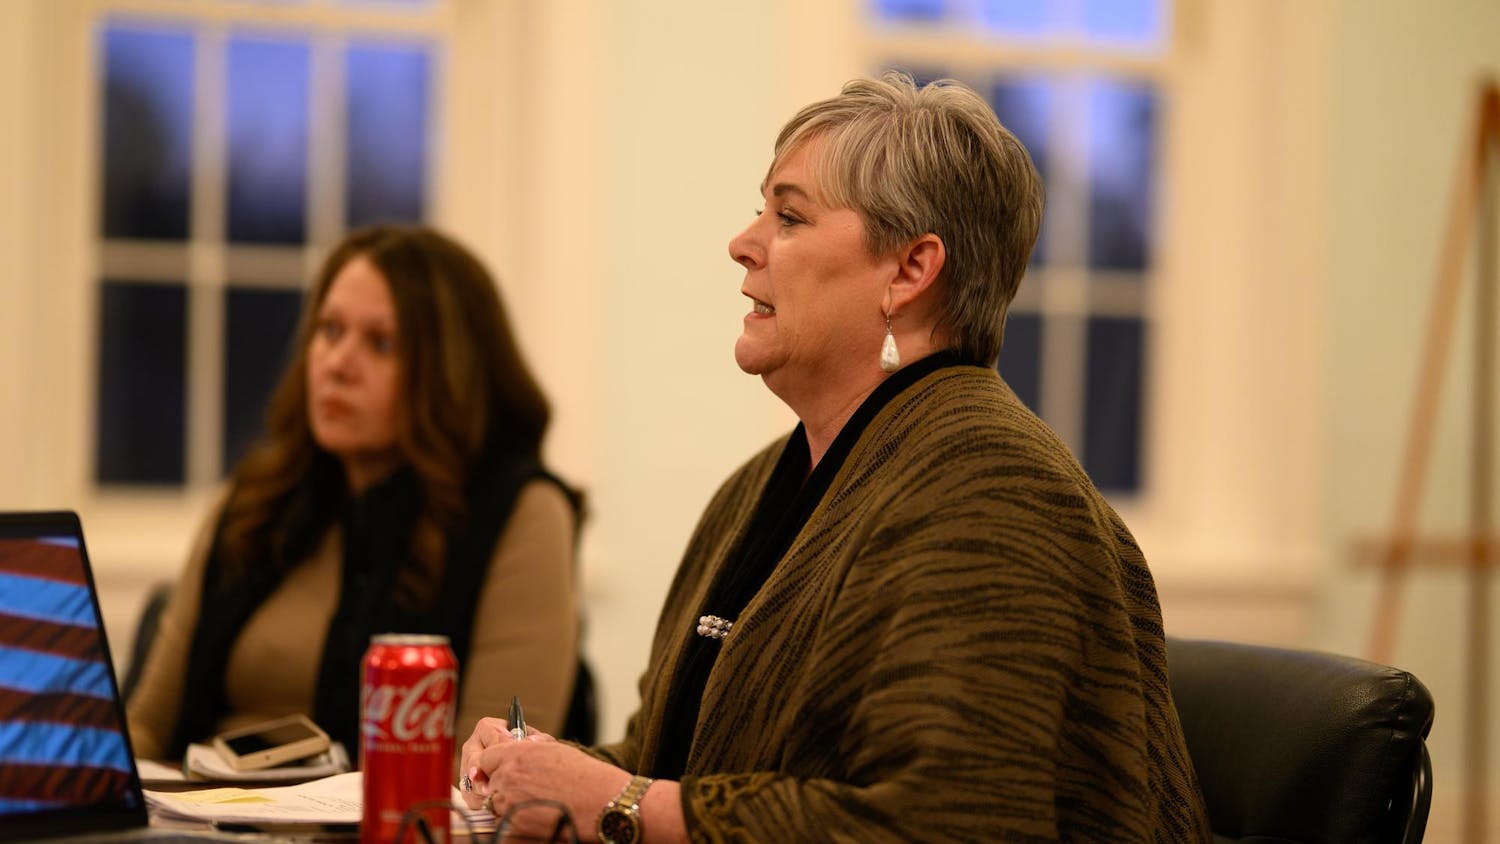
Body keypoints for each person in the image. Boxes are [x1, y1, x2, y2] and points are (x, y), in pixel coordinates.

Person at [460, 73, 1211, 841]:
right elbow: (669, 764)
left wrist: (618, 804)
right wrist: (541, 771)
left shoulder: (996, 493)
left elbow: (940, 824)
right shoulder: (759, 487)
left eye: (789, 217)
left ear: (910, 271)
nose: (743, 243)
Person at [127, 225, 581, 764]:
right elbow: (145, 728)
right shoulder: (256, 501)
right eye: (330, 330)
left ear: (452, 372)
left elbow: (491, 776)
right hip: (195, 803)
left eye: (381, 343)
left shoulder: (520, 513)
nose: (337, 363)